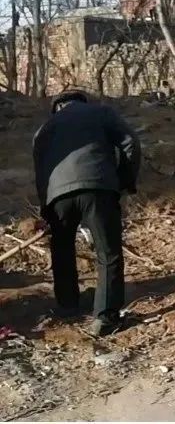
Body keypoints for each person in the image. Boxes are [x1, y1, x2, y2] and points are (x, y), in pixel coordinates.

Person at [33, 90, 141, 336]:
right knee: (108, 252)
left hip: (57, 195)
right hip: (98, 188)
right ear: (82, 101)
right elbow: (130, 142)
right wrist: (124, 181)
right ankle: (105, 317)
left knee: (62, 249)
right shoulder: (100, 112)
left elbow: (40, 171)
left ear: (57, 107)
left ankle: (67, 304)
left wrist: (45, 206)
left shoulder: (45, 128)